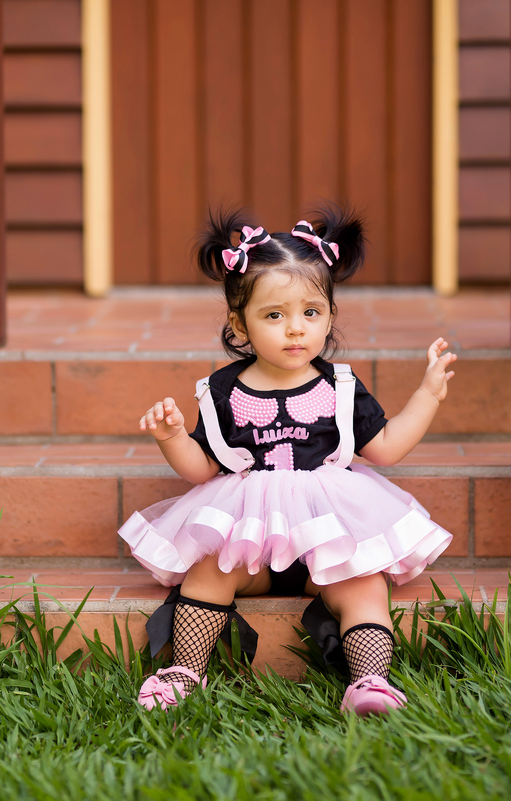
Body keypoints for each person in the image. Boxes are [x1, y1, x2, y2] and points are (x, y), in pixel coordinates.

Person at [119, 206, 456, 716]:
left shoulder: (340, 386)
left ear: (330, 316)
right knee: (208, 572)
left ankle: (370, 683)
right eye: (274, 315)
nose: (295, 329)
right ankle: (185, 672)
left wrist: (428, 394)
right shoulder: (222, 390)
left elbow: (385, 448)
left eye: (311, 313)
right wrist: (171, 438)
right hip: (248, 539)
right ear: (241, 322)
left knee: (363, 584)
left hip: (327, 538)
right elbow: (202, 469)